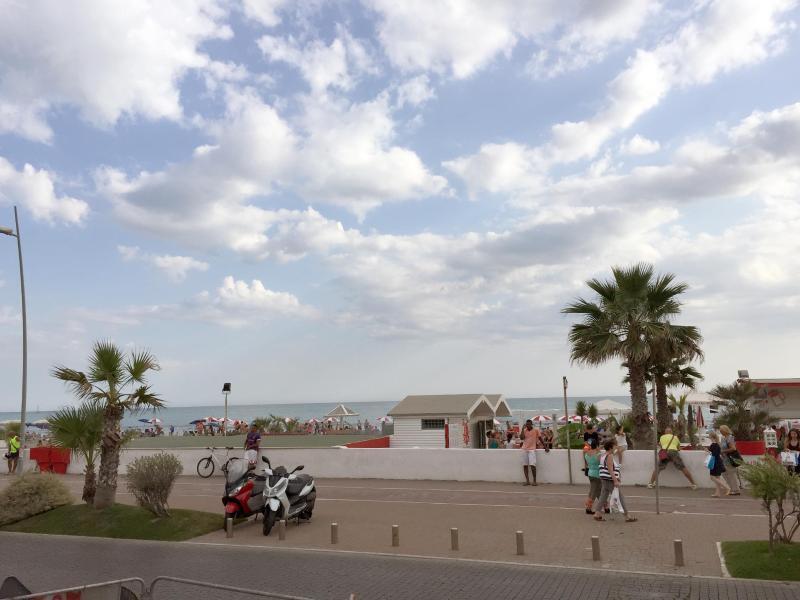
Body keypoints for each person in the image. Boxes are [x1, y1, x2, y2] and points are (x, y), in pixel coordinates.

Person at [593, 438, 637, 522]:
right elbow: (610, 469)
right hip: (610, 480)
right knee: (620, 497)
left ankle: (597, 513)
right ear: (611, 447)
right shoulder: (609, 456)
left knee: (603, 497)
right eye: (614, 446)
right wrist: (616, 480)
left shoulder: (602, 456)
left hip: (604, 479)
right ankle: (627, 516)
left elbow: (605, 467)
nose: (616, 447)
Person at [718, 425, 742, 495]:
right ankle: (732, 488)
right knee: (725, 473)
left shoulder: (730, 438)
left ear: (725, 430)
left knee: (731, 474)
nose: (720, 431)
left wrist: (723, 451)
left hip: (730, 459)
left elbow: (733, 448)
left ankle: (736, 490)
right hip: (724, 459)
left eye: (721, 430)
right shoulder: (723, 438)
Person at [707, 431, 730, 497]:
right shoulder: (717, 444)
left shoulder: (713, 445)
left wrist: (707, 451)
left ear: (711, 437)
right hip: (718, 462)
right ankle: (718, 493)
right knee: (718, 478)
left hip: (714, 462)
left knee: (712, 477)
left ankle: (726, 487)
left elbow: (713, 454)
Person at [584, 438, 601, 514]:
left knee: (597, 491)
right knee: (594, 492)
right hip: (597, 474)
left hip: (590, 473)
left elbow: (587, 463)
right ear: (597, 445)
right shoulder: (598, 454)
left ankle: (605, 506)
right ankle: (588, 508)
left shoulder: (587, 454)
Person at [521, 419, 540, 486]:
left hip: (532, 449)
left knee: (533, 465)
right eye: (527, 424)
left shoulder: (536, 430)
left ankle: (534, 481)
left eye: (529, 424)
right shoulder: (524, 430)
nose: (528, 425)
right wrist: (522, 429)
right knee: (525, 465)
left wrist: (545, 447)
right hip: (524, 449)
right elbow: (521, 438)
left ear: (531, 424)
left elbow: (540, 438)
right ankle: (527, 481)